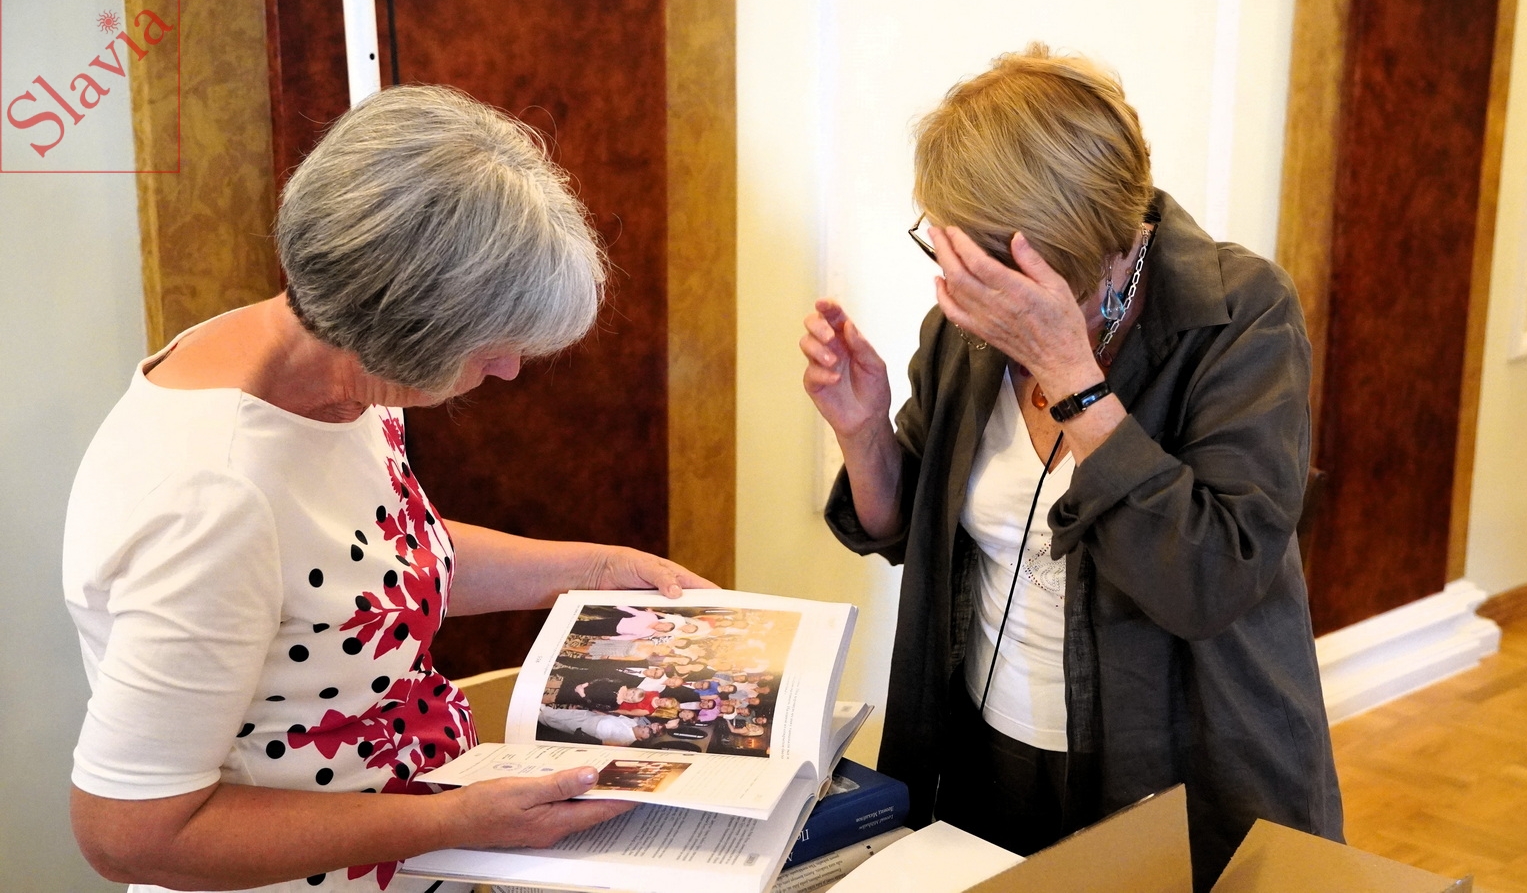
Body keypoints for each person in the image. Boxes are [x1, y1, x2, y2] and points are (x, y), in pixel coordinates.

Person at [63, 85, 713, 893]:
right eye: (488, 344)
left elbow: (365, 564)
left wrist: (595, 569)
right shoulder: (211, 499)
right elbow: (130, 836)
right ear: (400, 324)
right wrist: (456, 820)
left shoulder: (339, 371)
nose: (507, 368)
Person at [801, 45, 1341, 888]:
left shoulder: (1241, 313)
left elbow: (1212, 578)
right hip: (986, 752)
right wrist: (862, 430)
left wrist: (1073, 378)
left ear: (1066, 251)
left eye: (991, 267)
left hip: (1173, 770)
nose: (965, 290)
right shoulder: (971, 328)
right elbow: (908, 531)